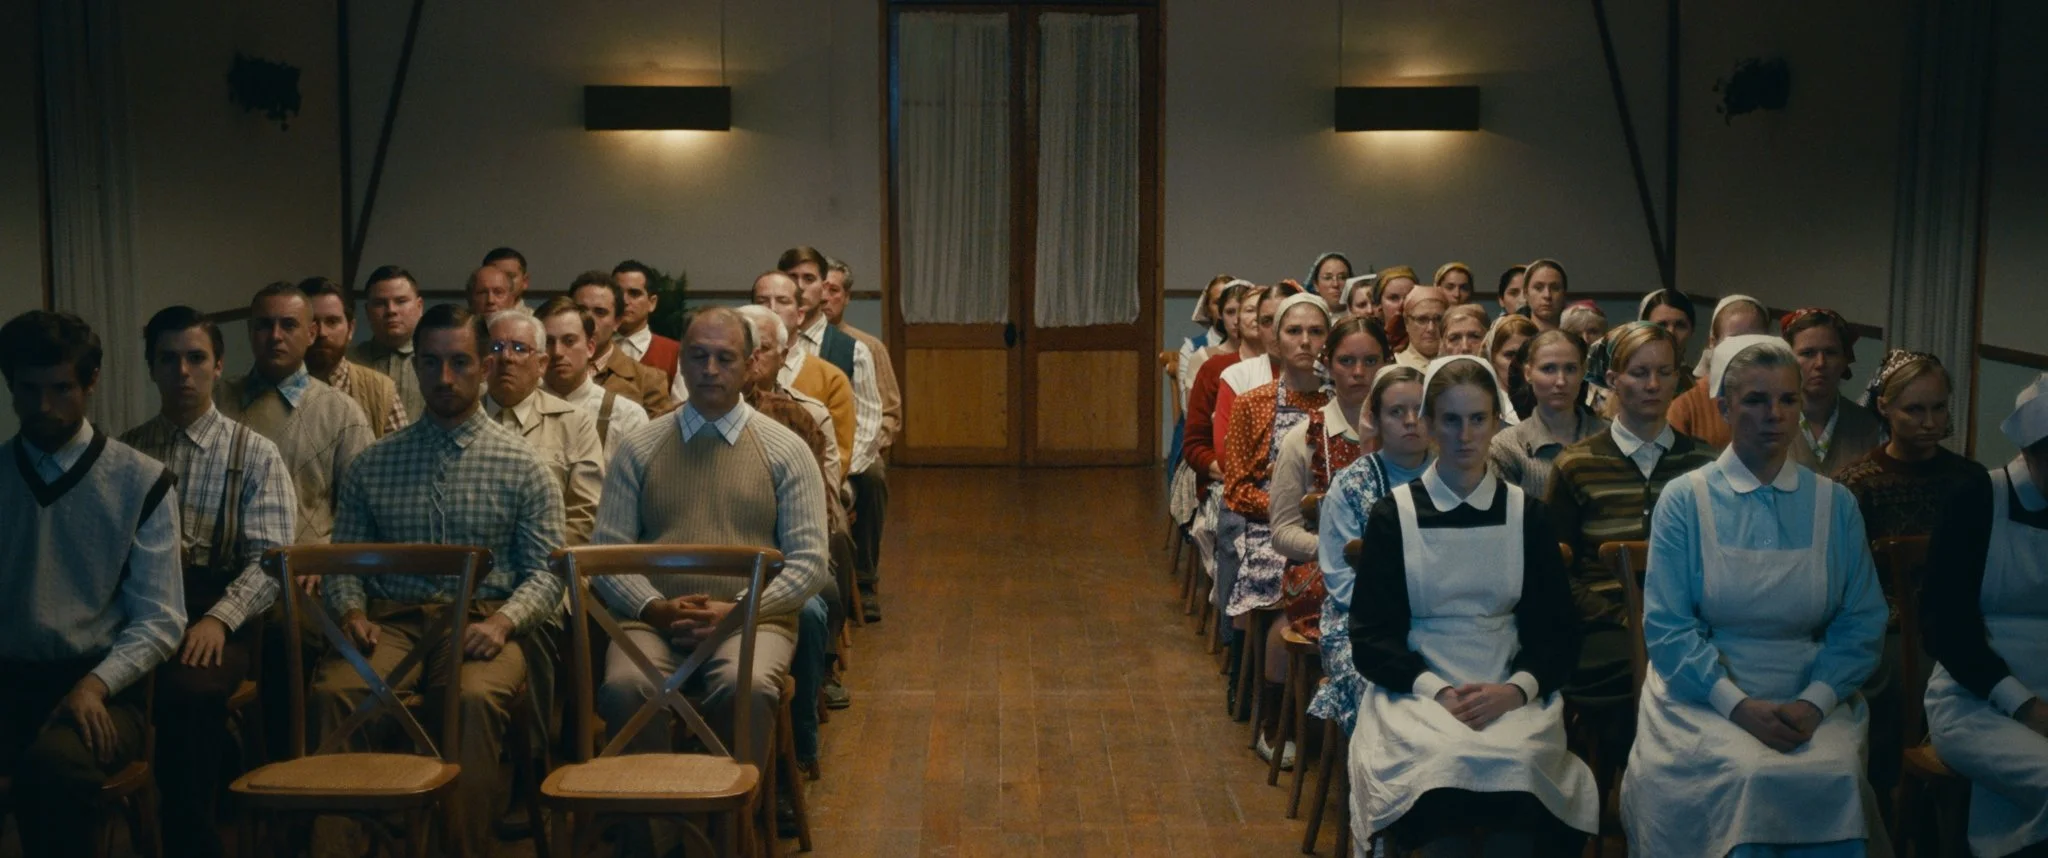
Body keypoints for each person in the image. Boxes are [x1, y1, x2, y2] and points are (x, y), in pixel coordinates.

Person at [316, 303, 568, 858]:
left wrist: (505, 622)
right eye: (430, 363)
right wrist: (351, 611)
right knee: (338, 692)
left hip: (481, 621)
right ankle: (340, 847)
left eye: (460, 362)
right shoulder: (374, 463)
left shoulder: (524, 465)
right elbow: (345, 562)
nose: (445, 377)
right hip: (391, 622)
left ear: (485, 366)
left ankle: (461, 848)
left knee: (471, 699)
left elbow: (547, 574)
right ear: (416, 369)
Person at [1622, 336, 1890, 857]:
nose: (1774, 415)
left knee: (1834, 774)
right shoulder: (1686, 500)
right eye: (1755, 400)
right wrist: (1737, 705)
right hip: (1703, 694)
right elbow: (1668, 628)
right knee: (1747, 773)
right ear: (1724, 408)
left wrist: (1815, 703)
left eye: (1788, 400)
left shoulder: (1835, 504)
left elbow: (1861, 621)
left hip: (1808, 687)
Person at [588, 308, 829, 855]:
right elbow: (608, 554)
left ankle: (724, 837)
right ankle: (655, 838)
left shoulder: (785, 449)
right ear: (682, 363)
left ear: (750, 365)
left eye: (725, 358)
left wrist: (737, 611)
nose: (710, 369)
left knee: (745, 686)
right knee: (626, 688)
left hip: (753, 618)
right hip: (654, 618)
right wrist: (654, 608)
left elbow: (809, 563)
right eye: (698, 356)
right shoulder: (641, 446)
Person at [1348, 355, 1597, 856]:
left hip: (1509, 686)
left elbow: (1557, 631)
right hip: (1417, 692)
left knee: (1521, 776)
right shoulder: (1394, 516)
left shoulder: (1527, 515)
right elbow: (1371, 636)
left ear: (1496, 422)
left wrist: (1517, 690)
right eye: (1451, 420)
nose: (1465, 435)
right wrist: (1437, 690)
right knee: (1442, 770)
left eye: (1478, 419)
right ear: (1428, 423)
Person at [0, 311, 183, 858]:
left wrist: (95, 685)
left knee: (53, 770)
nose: (43, 406)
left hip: (101, 687)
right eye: (28, 390)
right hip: (9, 680)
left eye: (61, 389)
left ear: (90, 382)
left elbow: (160, 619)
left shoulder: (141, 481)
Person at [120, 307, 295, 858]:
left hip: (214, 608)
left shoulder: (255, 453)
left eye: (196, 358)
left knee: (190, 692)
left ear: (219, 365)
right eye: (168, 359)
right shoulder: (125, 452)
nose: (182, 372)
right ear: (151, 367)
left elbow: (270, 561)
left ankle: (190, 836)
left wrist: (220, 619)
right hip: (140, 610)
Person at [1834, 350, 1980, 812]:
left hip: (1960, 619)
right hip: (1890, 624)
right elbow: (1845, 580)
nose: (1930, 422)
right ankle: (1887, 794)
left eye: (1938, 408)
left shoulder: (1971, 481)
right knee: (1893, 678)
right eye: (1914, 409)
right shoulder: (1856, 485)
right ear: (1885, 407)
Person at [1547, 323, 1716, 718]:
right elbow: (1555, 567)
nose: (1653, 385)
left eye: (1664, 372)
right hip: (1605, 624)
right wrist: (1619, 616)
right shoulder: (1577, 464)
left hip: (1688, 623)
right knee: (1633, 678)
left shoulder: (1704, 463)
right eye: (1639, 373)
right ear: (1613, 380)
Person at [1921, 373, 2048, 858]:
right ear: (2030, 452)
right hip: (1975, 702)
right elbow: (1945, 628)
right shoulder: (1976, 499)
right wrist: (2025, 706)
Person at [1220, 293, 1332, 764]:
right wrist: (1289, 507)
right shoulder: (1255, 403)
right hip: (1268, 530)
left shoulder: (1341, 402)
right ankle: (1275, 721)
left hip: (1333, 526)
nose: (1305, 341)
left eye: (1316, 332)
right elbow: (1236, 489)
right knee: (1284, 592)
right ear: (1276, 340)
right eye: (1294, 331)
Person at [1313, 366, 1431, 732]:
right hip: (1361, 623)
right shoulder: (1351, 484)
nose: (1410, 421)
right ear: (1376, 420)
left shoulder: (1454, 477)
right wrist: (1401, 617)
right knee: (1383, 689)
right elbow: (1341, 580)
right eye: (1396, 412)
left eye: (1420, 410)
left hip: (1442, 619)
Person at [216, 281, 373, 545]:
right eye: (264, 325)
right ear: (250, 331)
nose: (275, 336)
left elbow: (362, 512)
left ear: (311, 333)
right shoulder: (217, 400)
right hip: (226, 564)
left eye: (289, 325)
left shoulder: (342, 412)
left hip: (310, 565)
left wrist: (326, 557)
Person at [1270, 316, 1385, 650]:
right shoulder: (1303, 438)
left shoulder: (1407, 436)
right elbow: (1282, 532)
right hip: (1327, 566)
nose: (1359, 372)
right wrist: (1338, 550)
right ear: (1329, 365)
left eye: (1371, 361)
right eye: (1346, 361)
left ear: (1387, 364)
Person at [791, 253, 888, 622]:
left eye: (810, 280)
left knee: (874, 476)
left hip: (843, 456)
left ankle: (863, 577)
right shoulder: (768, 343)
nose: (800, 288)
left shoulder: (856, 347)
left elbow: (871, 416)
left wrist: (841, 469)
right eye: (792, 279)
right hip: (792, 454)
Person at [485, 308, 605, 546]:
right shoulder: (463, 416)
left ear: (541, 364)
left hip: (550, 559)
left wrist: (540, 557)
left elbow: (585, 516)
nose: (506, 357)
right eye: (496, 347)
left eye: (519, 348)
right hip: (476, 559)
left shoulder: (573, 423)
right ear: (483, 361)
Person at [754, 270, 859, 481]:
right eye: (762, 301)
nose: (772, 309)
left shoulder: (831, 378)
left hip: (814, 482)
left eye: (783, 301)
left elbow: (838, 457)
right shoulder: (734, 375)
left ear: (800, 314)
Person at [1492, 330, 1607, 504]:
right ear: (1528, 373)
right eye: (1548, 369)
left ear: (1583, 372)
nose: (1561, 381)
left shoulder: (1609, 436)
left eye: (1570, 369)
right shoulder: (1506, 447)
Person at [537, 296, 651, 462]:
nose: (557, 352)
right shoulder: (519, 408)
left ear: (590, 347)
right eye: (548, 342)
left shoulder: (626, 416)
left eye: (569, 341)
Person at [299, 276, 407, 437]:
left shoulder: (381, 390)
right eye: (311, 322)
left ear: (350, 329)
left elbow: (402, 451)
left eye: (332, 321)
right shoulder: (275, 386)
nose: (322, 333)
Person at [1782, 308, 1882, 476]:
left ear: (1845, 359)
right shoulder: (1771, 419)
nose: (1820, 363)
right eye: (1808, 353)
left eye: (1830, 353)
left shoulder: (1867, 426)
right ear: (1789, 359)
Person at [1668, 294, 1772, 450]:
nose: (1744, 349)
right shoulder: (1687, 406)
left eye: (1753, 339)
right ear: (1713, 343)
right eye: (1734, 340)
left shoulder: (1780, 400)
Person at [570, 270, 678, 418]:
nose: (588, 320)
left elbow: (658, 432)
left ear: (617, 321)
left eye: (600, 312)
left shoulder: (647, 380)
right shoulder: (545, 369)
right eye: (580, 311)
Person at [349, 264, 426, 420]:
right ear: (367, 311)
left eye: (401, 301)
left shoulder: (437, 362)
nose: (391, 310)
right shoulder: (349, 362)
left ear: (419, 307)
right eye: (380, 303)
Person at [610, 259, 681, 373]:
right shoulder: (592, 348)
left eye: (634, 294)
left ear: (652, 303)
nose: (624, 301)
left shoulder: (674, 353)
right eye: (618, 293)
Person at [1392, 285, 1449, 371]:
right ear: (1406, 322)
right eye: (1422, 319)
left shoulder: (1457, 365)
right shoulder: (1393, 366)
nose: (1431, 328)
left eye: (1438, 319)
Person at [1637, 288, 1697, 369]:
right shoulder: (1624, 376)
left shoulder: (1698, 377)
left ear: (1692, 331)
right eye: (1661, 325)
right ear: (1643, 330)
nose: (1671, 332)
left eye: (1680, 326)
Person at [1374, 265, 1420, 352]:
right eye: (1394, 298)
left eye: (1409, 296)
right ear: (1379, 304)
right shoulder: (1371, 341)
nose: (1402, 304)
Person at [1523, 259, 1568, 333]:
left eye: (1555, 288)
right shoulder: (1515, 338)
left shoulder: (1579, 337)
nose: (1547, 295)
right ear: (1526, 293)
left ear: (1564, 294)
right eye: (1538, 288)